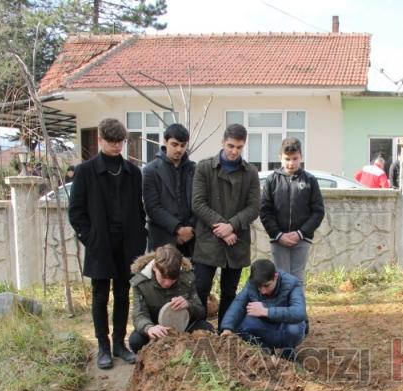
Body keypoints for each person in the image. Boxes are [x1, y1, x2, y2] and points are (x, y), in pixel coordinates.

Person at [69, 118, 147, 369]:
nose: (116, 146)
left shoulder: (133, 173)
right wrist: (90, 238)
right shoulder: (85, 171)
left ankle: (119, 344)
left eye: (120, 142)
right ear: (100, 140)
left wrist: (140, 235)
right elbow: (76, 212)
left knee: (123, 294)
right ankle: (102, 345)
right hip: (100, 243)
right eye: (111, 141)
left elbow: (139, 208)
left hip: (128, 244)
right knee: (100, 296)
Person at [191, 123, 260, 327]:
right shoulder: (204, 167)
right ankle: (198, 331)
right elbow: (197, 203)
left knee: (229, 291)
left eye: (239, 147)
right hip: (208, 240)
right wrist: (223, 228)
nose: (234, 151)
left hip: (236, 241)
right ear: (222, 142)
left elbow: (254, 207)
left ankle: (226, 331)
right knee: (201, 288)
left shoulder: (250, 172)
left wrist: (232, 226)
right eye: (230, 146)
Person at [259, 137, 325, 283]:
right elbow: (265, 211)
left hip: (302, 239)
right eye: (287, 159)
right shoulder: (272, 180)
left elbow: (318, 211)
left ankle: (297, 306)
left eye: (295, 158)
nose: (291, 163)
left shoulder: (310, 180)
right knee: (281, 277)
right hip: (278, 239)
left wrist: (301, 233)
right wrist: (278, 234)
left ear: (301, 157)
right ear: (280, 158)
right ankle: (283, 306)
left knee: (297, 278)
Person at [128, 244, 214, 354]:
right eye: (163, 278)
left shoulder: (187, 278)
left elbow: (201, 312)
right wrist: (149, 328)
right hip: (156, 326)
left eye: (173, 279)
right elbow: (139, 314)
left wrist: (189, 305)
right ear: (155, 267)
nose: (167, 283)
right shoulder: (141, 283)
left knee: (207, 329)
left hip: (183, 326)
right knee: (136, 341)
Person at [220, 259, 307, 361]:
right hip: (265, 325)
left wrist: (266, 311)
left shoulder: (292, 283)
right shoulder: (252, 284)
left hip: (285, 327)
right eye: (259, 287)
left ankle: (287, 353)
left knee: (294, 329)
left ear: (275, 276)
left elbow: (299, 312)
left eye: (266, 285)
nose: (263, 291)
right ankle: (265, 352)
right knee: (240, 325)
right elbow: (238, 305)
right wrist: (227, 328)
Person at [143, 123, 197, 257]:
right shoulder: (150, 170)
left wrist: (190, 230)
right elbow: (152, 207)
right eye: (174, 144)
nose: (179, 149)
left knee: (191, 278)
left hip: (192, 240)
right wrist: (178, 229)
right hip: (163, 240)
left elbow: (199, 201)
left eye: (183, 145)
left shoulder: (194, 169)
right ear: (165, 141)